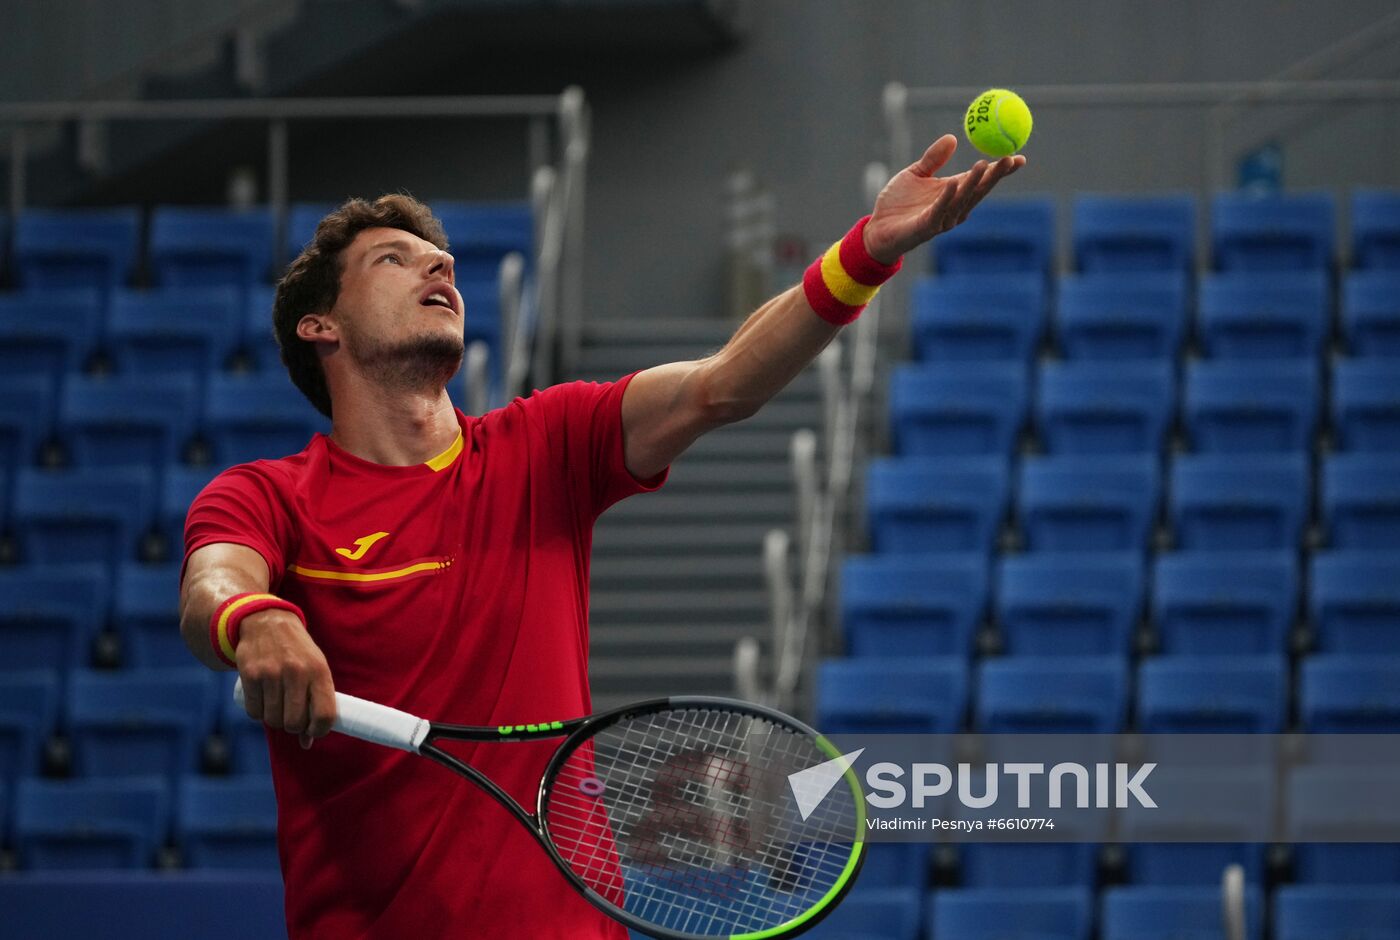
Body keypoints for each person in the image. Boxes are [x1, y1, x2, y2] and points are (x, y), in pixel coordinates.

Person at [178, 134, 1023, 939]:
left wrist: (866, 252)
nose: (437, 264)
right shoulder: (271, 495)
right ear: (319, 327)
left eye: (440, 258)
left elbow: (721, 386)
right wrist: (260, 618)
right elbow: (214, 579)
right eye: (390, 260)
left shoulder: (545, 444)